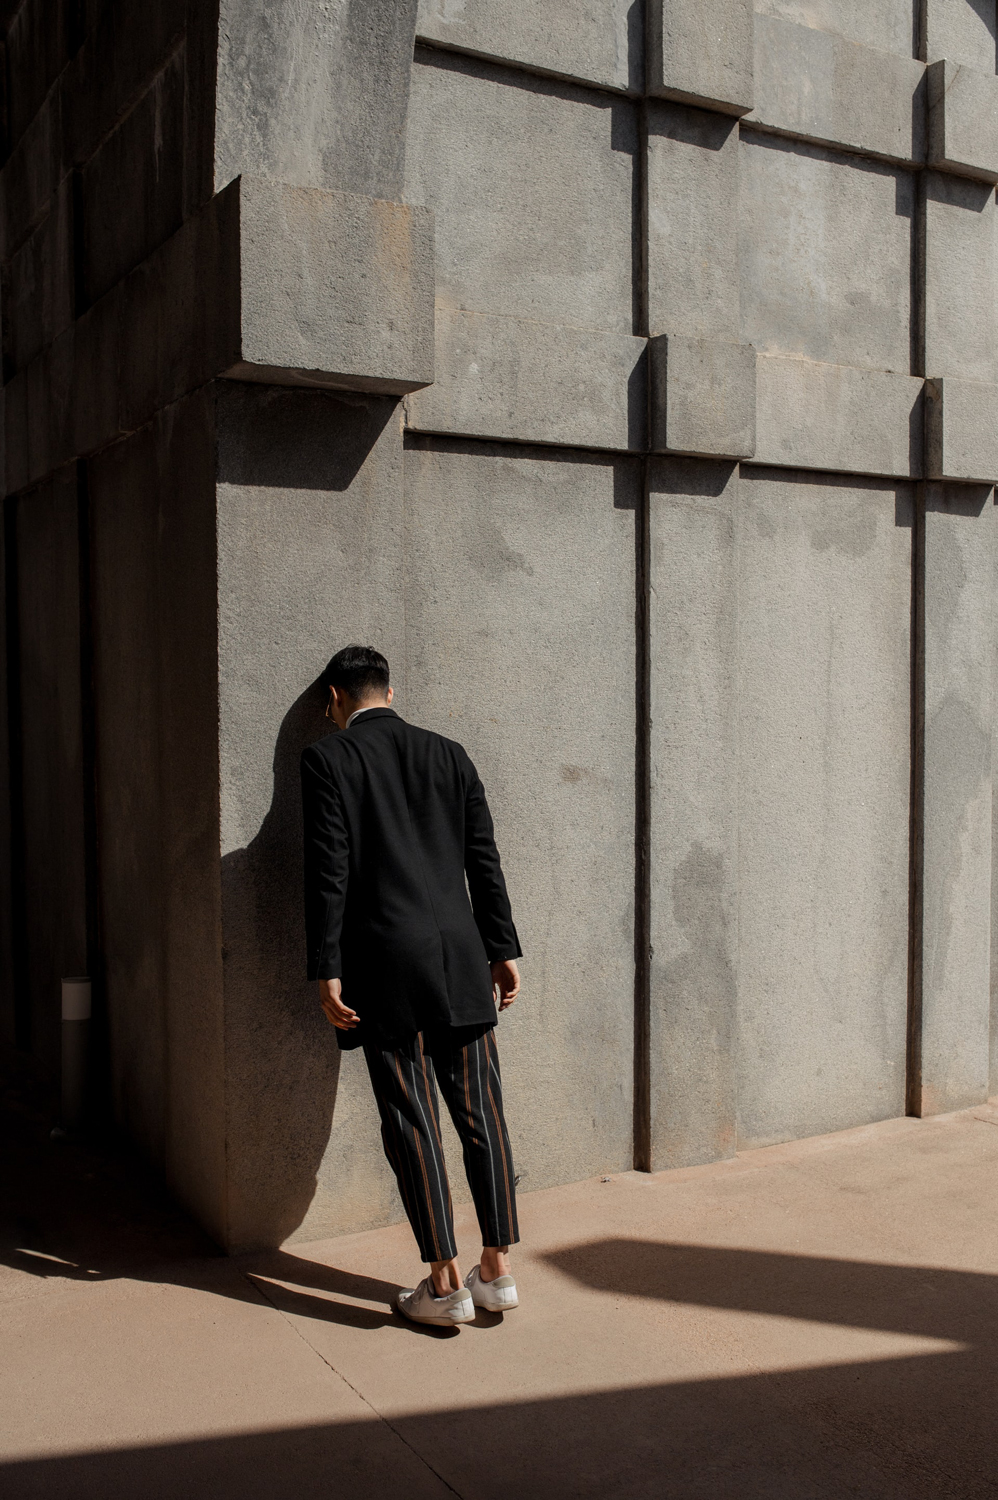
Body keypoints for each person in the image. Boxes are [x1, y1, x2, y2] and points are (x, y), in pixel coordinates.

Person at [300, 644, 523, 1327]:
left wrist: (327, 966)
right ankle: (497, 1271)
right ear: (389, 694)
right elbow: (482, 856)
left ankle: (444, 1282)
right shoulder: (448, 753)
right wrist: (503, 946)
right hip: (460, 954)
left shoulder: (327, 759)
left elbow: (328, 871)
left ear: (335, 698)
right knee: (481, 1112)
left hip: (384, 962)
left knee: (411, 1117)